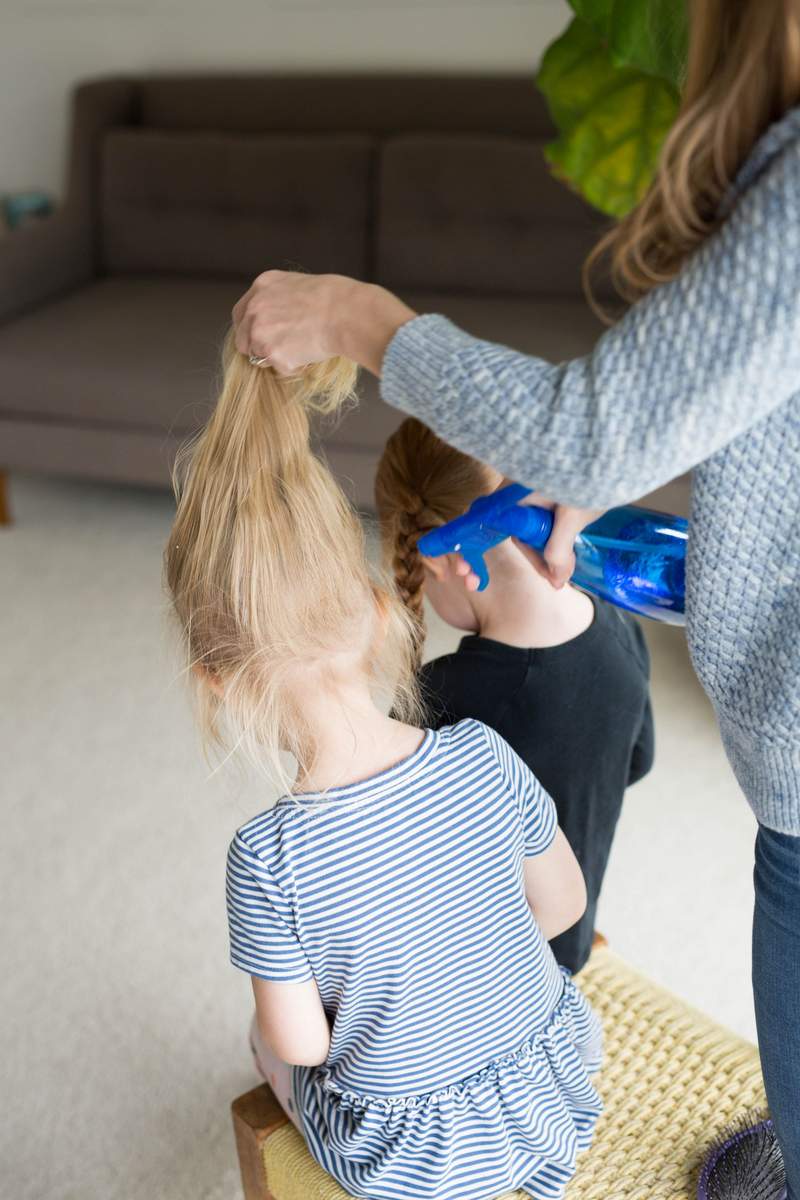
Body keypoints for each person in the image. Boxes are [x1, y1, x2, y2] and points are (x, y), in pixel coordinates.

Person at [230, 3, 800, 1191]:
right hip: (546, 1039)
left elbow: (304, 1040)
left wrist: (358, 317)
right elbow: (574, 870)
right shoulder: (578, 675)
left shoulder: (305, 830)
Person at [164, 336, 604, 1200]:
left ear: (214, 684)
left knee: (268, 1051)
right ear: (375, 611)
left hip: (421, 1158)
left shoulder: (267, 861)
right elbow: (563, 905)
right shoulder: (481, 751)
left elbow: (304, 1046)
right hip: (550, 1087)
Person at [375, 417, 654, 973]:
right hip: (564, 955)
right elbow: (638, 761)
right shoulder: (620, 628)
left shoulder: (447, 695)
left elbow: (393, 857)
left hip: (474, 983)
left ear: (436, 558)